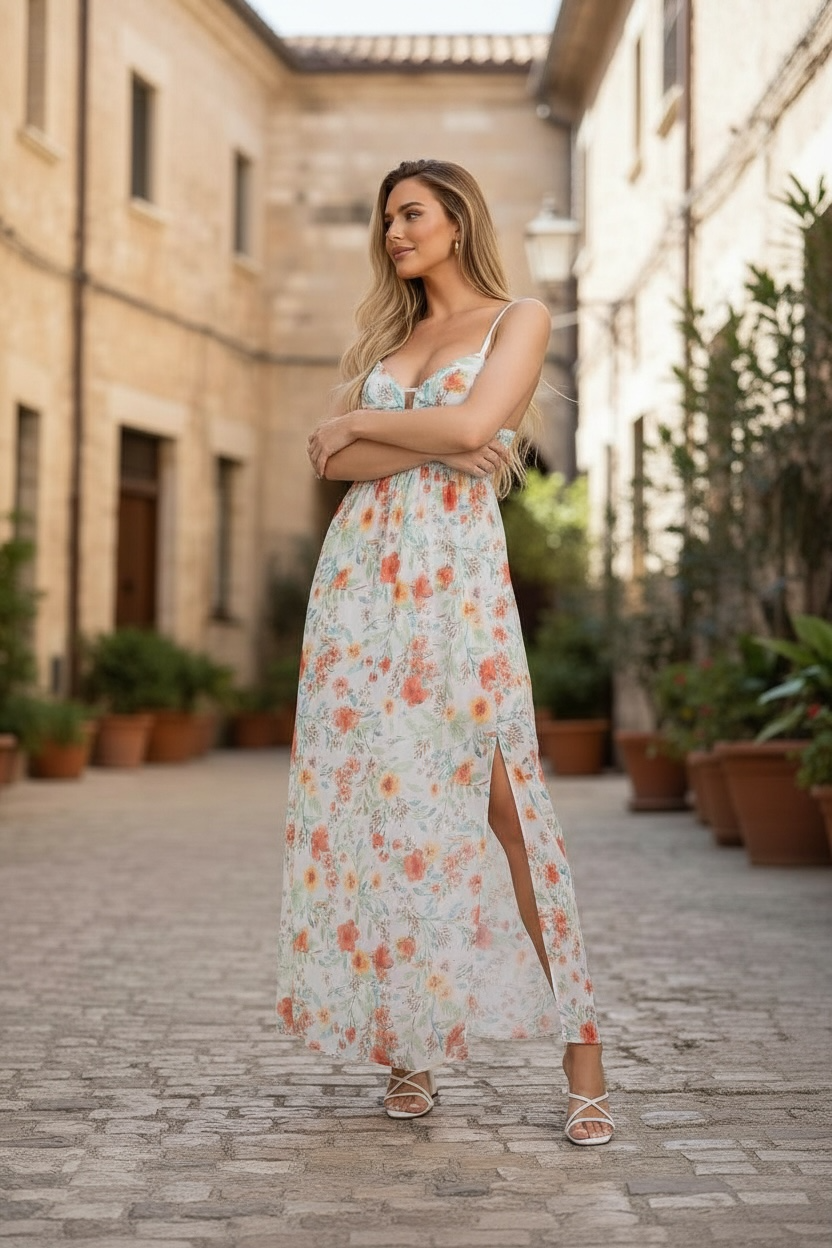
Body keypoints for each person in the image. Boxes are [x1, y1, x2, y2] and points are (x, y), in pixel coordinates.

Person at [275, 158, 614, 1145]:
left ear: (456, 220)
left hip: (454, 587)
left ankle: (583, 1052)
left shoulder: (521, 318)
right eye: (386, 220)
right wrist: (411, 439)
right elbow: (340, 466)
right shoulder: (398, 337)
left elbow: (471, 425)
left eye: (410, 214)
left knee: (511, 808)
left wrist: (361, 421)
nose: (393, 234)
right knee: (390, 809)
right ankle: (407, 1050)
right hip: (361, 589)